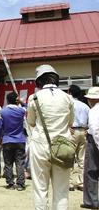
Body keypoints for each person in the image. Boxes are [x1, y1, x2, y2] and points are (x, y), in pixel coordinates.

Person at [27, 64, 74, 210]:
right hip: (62, 146)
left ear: (39, 81)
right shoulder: (67, 97)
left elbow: (31, 122)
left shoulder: (34, 97)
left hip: (40, 145)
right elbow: (70, 122)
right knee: (61, 191)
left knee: (40, 189)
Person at [0, 92, 27, 190]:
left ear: (7, 100)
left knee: (8, 163)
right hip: (20, 139)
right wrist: (22, 102)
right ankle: (20, 184)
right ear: (16, 100)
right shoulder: (21, 111)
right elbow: (28, 107)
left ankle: (10, 183)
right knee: (20, 163)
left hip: (7, 139)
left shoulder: (2, 112)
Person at [68, 85, 90, 192]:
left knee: (70, 157)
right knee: (82, 158)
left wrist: (67, 127)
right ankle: (81, 183)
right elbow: (90, 119)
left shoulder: (69, 104)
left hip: (72, 131)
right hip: (84, 131)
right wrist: (87, 129)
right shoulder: (85, 106)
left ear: (70, 92)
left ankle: (71, 183)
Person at [81, 87, 99, 209]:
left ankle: (92, 201)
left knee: (91, 171)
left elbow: (95, 129)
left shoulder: (94, 111)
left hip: (95, 142)